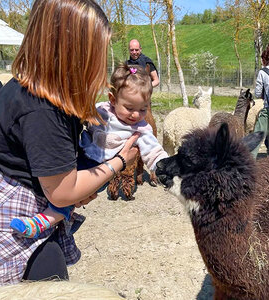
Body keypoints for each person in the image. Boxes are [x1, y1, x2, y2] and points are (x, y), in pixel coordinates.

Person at [0, 0, 139, 285]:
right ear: (74, 51)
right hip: (8, 222)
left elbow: (57, 174)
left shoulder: (35, 90)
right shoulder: (42, 109)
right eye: (97, 51)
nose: (101, 61)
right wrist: (120, 161)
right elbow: (62, 192)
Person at [10, 63, 168, 239]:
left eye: (143, 109)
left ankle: (40, 223)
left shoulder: (141, 129)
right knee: (55, 183)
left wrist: (164, 168)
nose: (136, 115)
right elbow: (84, 115)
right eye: (130, 108)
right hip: (81, 155)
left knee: (67, 198)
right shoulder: (103, 109)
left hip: (100, 169)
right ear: (113, 100)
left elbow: (154, 150)